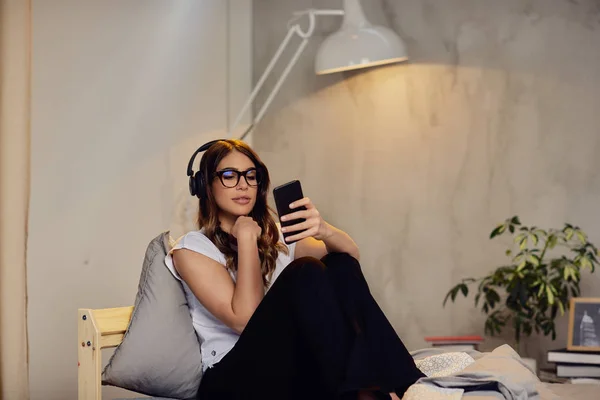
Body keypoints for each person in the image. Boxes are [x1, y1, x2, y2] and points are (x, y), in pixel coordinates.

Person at [165, 139, 424, 400]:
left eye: (251, 176)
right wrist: (246, 241)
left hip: (288, 368)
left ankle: (406, 384)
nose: (243, 184)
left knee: (339, 264)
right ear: (205, 185)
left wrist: (324, 230)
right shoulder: (192, 249)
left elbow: (350, 259)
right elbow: (245, 320)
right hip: (233, 381)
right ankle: (367, 393)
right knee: (305, 272)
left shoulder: (276, 236)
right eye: (229, 176)